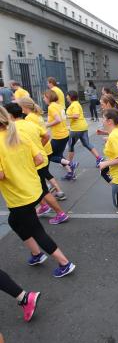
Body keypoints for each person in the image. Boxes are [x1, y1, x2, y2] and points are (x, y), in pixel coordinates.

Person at [0, 106, 75, 277]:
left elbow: (1, 174)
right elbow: (39, 158)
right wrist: (22, 170)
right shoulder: (19, 134)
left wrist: (15, 172)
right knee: (14, 222)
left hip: (19, 195)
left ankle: (64, 262)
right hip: (33, 188)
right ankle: (36, 254)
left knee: (36, 230)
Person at [5, 103, 69, 225]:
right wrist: (40, 147)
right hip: (41, 158)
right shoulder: (29, 124)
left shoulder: (12, 129)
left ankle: (60, 214)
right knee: (38, 186)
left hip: (33, 162)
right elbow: (46, 135)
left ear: (9, 115)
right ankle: (44, 206)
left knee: (42, 189)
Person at [18, 97, 66, 201]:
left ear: (24, 106)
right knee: (44, 172)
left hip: (41, 147)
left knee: (43, 173)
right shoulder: (37, 115)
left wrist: (35, 147)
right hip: (46, 147)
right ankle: (56, 190)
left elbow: (35, 134)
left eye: (20, 106)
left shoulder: (29, 118)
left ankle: (55, 192)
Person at [44, 90, 78, 180]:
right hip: (64, 134)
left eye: (44, 97)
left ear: (48, 98)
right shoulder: (59, 106)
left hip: (58, 136)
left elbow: (58, 119)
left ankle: (71, 164)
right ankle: (70, 172)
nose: (44, 99)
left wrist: (46, 125)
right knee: (59, 155)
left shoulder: (51, 107)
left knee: (50, 156)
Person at [66, 90, 103, 167]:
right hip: (83, 127)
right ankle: (99, 158)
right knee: (86, 143)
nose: (66, 97)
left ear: (70, 96)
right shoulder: (76, 104)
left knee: (71, 145)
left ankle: (69, 163)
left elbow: (76, 116)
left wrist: (66, 116)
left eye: (67, 95)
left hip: (76, 129)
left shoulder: (74, 105)